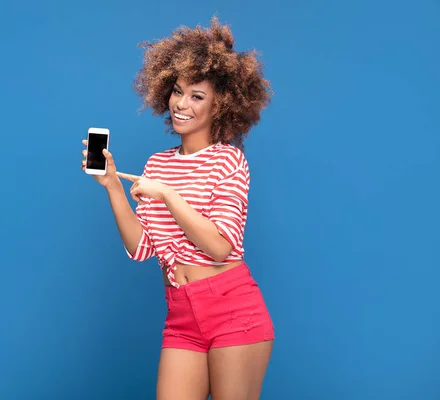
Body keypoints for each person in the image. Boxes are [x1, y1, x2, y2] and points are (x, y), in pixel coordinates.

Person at [81, 16, 274, 400]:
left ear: (221, 106)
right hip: (181, 315)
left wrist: (169, 195)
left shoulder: (228, 161)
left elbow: (221, 248)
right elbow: (141, 250)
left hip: (232, 309)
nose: (181, 104)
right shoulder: (158, 164)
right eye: (177, 91)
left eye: (197, 96)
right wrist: (111, 187)